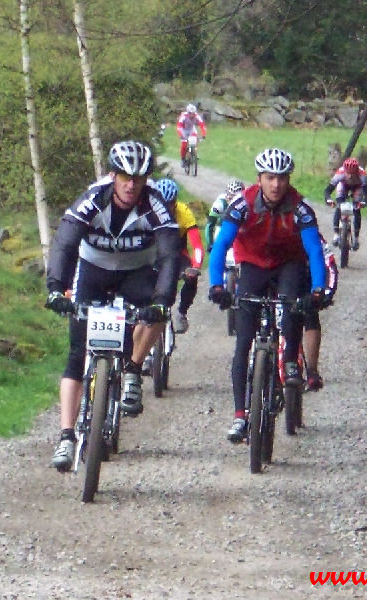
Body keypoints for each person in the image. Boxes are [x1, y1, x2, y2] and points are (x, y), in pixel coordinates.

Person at [45, 141, 180, 470]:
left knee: (158, 312)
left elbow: (170, 255)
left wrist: (162, 301)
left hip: (136, 271)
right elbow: (65, 242)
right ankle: (65, 437)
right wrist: (55, 288)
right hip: (93, 270)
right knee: (77, 354)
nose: (131, 184)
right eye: (124, 176)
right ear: (112, 174)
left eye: (138, 177)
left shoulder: (155, 204)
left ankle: (133, 368)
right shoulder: (95, 197)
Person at [207, 148, 329, 443]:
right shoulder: (243, 204)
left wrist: (317, 290)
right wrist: (217, 286)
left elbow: (314, 251)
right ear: (259, 178)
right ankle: (239, 415)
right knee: (243, 342)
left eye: (282, 178)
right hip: (253, 266)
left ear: (289, 180)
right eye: (270, 177)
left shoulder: (300, 208)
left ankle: (289, 360)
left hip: (289, 263)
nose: (276, 184)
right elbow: (221, 245)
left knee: (292, 305)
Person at [154, 177, 204, 334]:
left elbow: (196, 245)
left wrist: (195, 267)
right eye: (163, 203)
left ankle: (182, 312)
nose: (167, 208)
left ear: (175, 201)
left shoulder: (184, 212)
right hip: (154, 253)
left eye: (170, 204)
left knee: (191, 277)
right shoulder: (147, 211)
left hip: (177, 253)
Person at [302, 234, 338, 392]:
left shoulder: (312, 234)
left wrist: (327, 292)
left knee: (310, 315)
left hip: (306, 284)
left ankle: (312, 370)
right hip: (275, 282)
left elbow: (329, 263)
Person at [324, 157, 367, 250]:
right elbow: (327, 190)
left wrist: (363, 202)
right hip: (343, 185)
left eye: (352, 173)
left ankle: (356, 239)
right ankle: (336, 235)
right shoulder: (340, 173)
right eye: (348, 173)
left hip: (358, 187)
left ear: (357, 171)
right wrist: (328, 199)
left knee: (357, 208)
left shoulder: (362, 175)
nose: (349, 176)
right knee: (339, 206)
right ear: (344, 170)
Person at [205, 179, 245, 253]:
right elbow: (210, 224)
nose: (230, 199)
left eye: (234, 197)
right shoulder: (220, 204)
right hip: (222, 228)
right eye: (230, 196)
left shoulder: (246, 203)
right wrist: (210, 243)